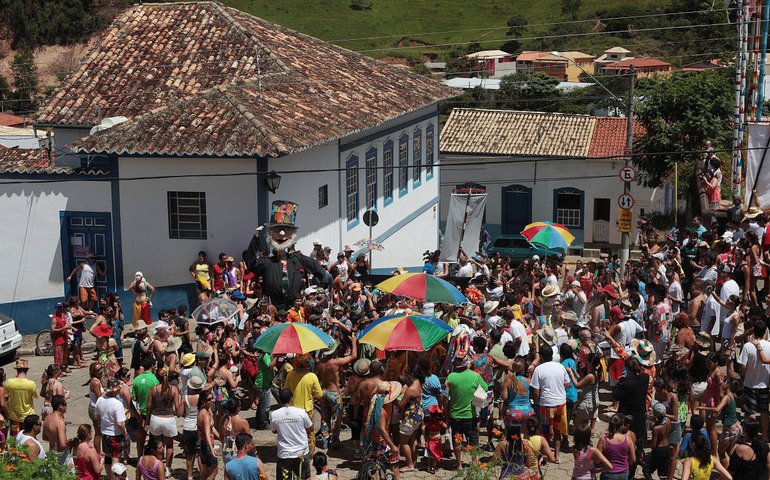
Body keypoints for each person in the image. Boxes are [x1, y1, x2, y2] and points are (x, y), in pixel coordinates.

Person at [446, 355, 488, 469]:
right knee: (473, 439)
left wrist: (446, 413)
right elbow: (485, 387)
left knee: (457, 439)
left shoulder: (450, 377)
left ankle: (459, 464)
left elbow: (445, 396)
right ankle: (474, 462)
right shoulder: (475, 376)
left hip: (455, 415)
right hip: (471, 414)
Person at [530, 345, 569, 463]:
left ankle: (544, 456)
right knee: (557, 431)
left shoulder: (539, 369)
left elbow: (536, 390)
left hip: (546, 404)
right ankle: (557, 456)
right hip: (561, 404)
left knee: (545, 431)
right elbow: (567, 384)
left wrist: (537, 402)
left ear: (540, 356)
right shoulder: (560, 367)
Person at [271, 388, 313, 480]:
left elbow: (274, 431)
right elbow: (311, 428)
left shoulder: (274, 414)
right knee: (302, 477)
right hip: (301, 452)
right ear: (291, 398)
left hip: (284, 453)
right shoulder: (301, 412)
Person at [285, 353, 322, 456]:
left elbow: (286, 390)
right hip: (308, 409)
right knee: (310, 432)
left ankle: (297, 452)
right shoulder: (312, 376)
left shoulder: (290, 375)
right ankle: (310, 454)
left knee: (295, 432)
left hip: (294, 408)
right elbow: (319, 394)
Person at [146, 367, 180, 477]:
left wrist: (147, 422)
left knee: (157, 445)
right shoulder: (174, 389)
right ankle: (168, 468)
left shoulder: (154, 389)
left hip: (156, 418)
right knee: (169, 446)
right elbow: (177, 406)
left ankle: (157, 466)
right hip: (169, 419)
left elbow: (149, 406)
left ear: (156, 377)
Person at [96, 379, 129, 480]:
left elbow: (97, 417)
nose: (119, 391)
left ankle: (110, 477)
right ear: (114, 391)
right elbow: (120, 423)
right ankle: (116, 478)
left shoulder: (100, 400)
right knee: (116, 459)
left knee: (108, 457)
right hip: (115, 434)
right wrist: (125, 434)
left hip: (105, 433)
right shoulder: (117, 404)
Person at [5, 358, 39, 436]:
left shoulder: (10, 382)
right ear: (27, 370)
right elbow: (36, 396)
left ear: (17, 370)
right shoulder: (31, 384)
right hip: (28, 417)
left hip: (14, 417)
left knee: (14, 438)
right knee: (27, 438)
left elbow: (6, 395)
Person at [597, 414, 635, 480]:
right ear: (622, 426)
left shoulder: (603, 440)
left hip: (608, 473)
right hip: (624, 473)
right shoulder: (628, 439)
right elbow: (633, 459)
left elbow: (597, 459)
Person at [198, 390, 219, 480]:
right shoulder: (205, 415)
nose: (212, 400)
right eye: (209, 399)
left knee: (206, 471)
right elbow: (207, 433)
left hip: (203, 444)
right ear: (203, 401)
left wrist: (221, 438)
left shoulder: (204, 411)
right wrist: (211, 449)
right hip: (207, 445)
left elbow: (211, 428)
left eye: (212, 398)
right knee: (214, 471)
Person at [42, 394, 68, 463]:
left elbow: (44, 437)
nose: (66, 407)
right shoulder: (60, 422)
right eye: (65, 404)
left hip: (52, 452)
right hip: (61, 455)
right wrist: (71, 443)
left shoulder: (47, 418)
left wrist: (54, 439)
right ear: (60, 406)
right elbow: (63, 445)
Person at [51, 302, 73, 373]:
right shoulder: (55, 319)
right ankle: (58, 371)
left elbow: (65, 326)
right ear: (56, 308)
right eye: (58, 307)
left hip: (64, 339)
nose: (60, 309)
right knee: (58, 357)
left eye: (61, 307)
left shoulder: (63, 315)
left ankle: (65, 367)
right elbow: (53, 330)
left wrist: (68, 333)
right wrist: (63, 328)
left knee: (65, 355)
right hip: (58, 340)